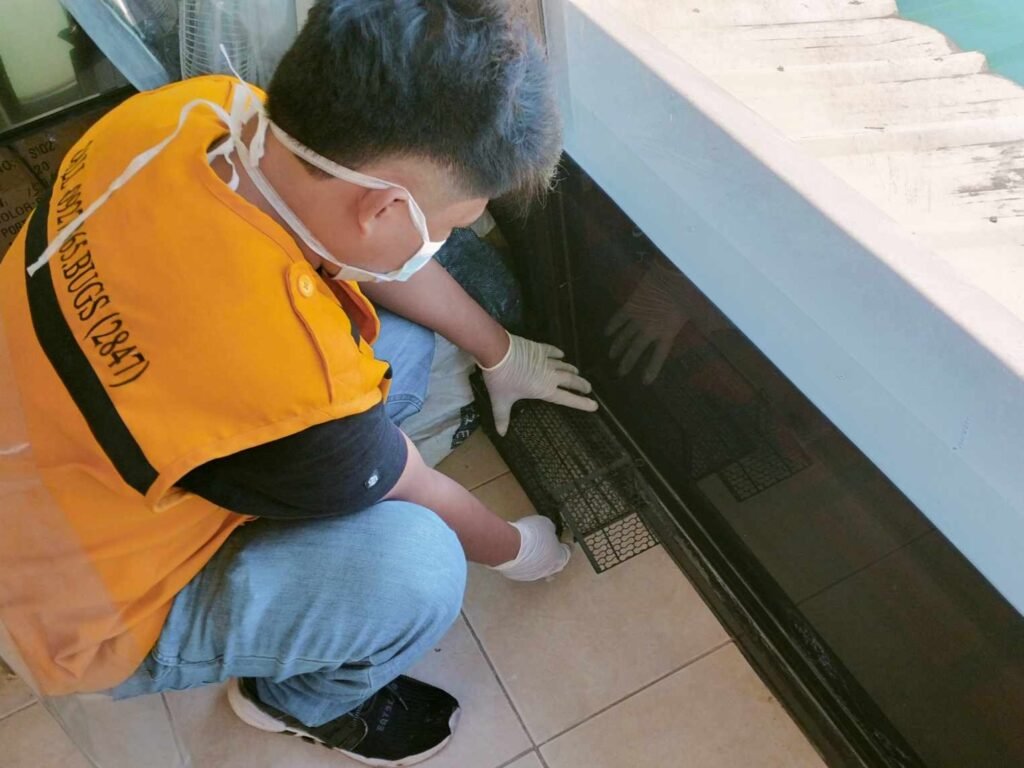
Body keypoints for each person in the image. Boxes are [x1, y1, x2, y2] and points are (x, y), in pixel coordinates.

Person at [0, 2, 597, 765]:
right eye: (450, 222)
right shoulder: (288, 381)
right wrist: (521, 549)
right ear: (383, 208)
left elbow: (345, 248)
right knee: (419, 568)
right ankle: (293, 702)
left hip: (43, 438)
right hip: (69, 605)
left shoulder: (196, 114)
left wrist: (499, 351)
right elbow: (410, 483)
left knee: (399, 352)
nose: (445, 241)